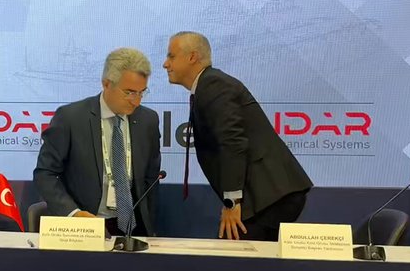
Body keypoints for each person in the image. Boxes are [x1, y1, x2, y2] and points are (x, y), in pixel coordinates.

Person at [163, 31, 312, 241]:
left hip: (269, 197)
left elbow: (232, 143)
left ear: (192, 57)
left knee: (232, 253)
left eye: (171, 56)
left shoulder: (213, 84)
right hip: (268, 196)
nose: (165, 64)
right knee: (236, 253)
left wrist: (232, 202)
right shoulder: (208, 85)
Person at [34, 48, 162, 236]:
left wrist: (149, 223)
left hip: (134, 229)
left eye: (141, 92)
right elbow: (45, 173)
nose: (136, 101)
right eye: (129, 92)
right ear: (106, 83)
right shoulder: (70, 118)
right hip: (85, 226)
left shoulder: (148, 120)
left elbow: (151, 179)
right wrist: (74, 214)